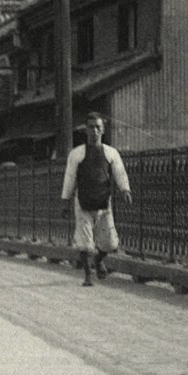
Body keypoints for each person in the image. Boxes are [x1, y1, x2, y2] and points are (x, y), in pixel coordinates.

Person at [60, 111, 133, 286]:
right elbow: (69, 178)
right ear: (86, 130)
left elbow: (119, 173)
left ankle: (99, 260)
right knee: (84, 242)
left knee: (109, 242)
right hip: (83, 202)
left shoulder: (111, 153)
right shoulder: (76, 154)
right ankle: (87, 275)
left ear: (103, 130)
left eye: (98, 127)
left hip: (103, 202)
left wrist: (125, 190)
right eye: (91, 127)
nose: (94, 131)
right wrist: (65, 201)